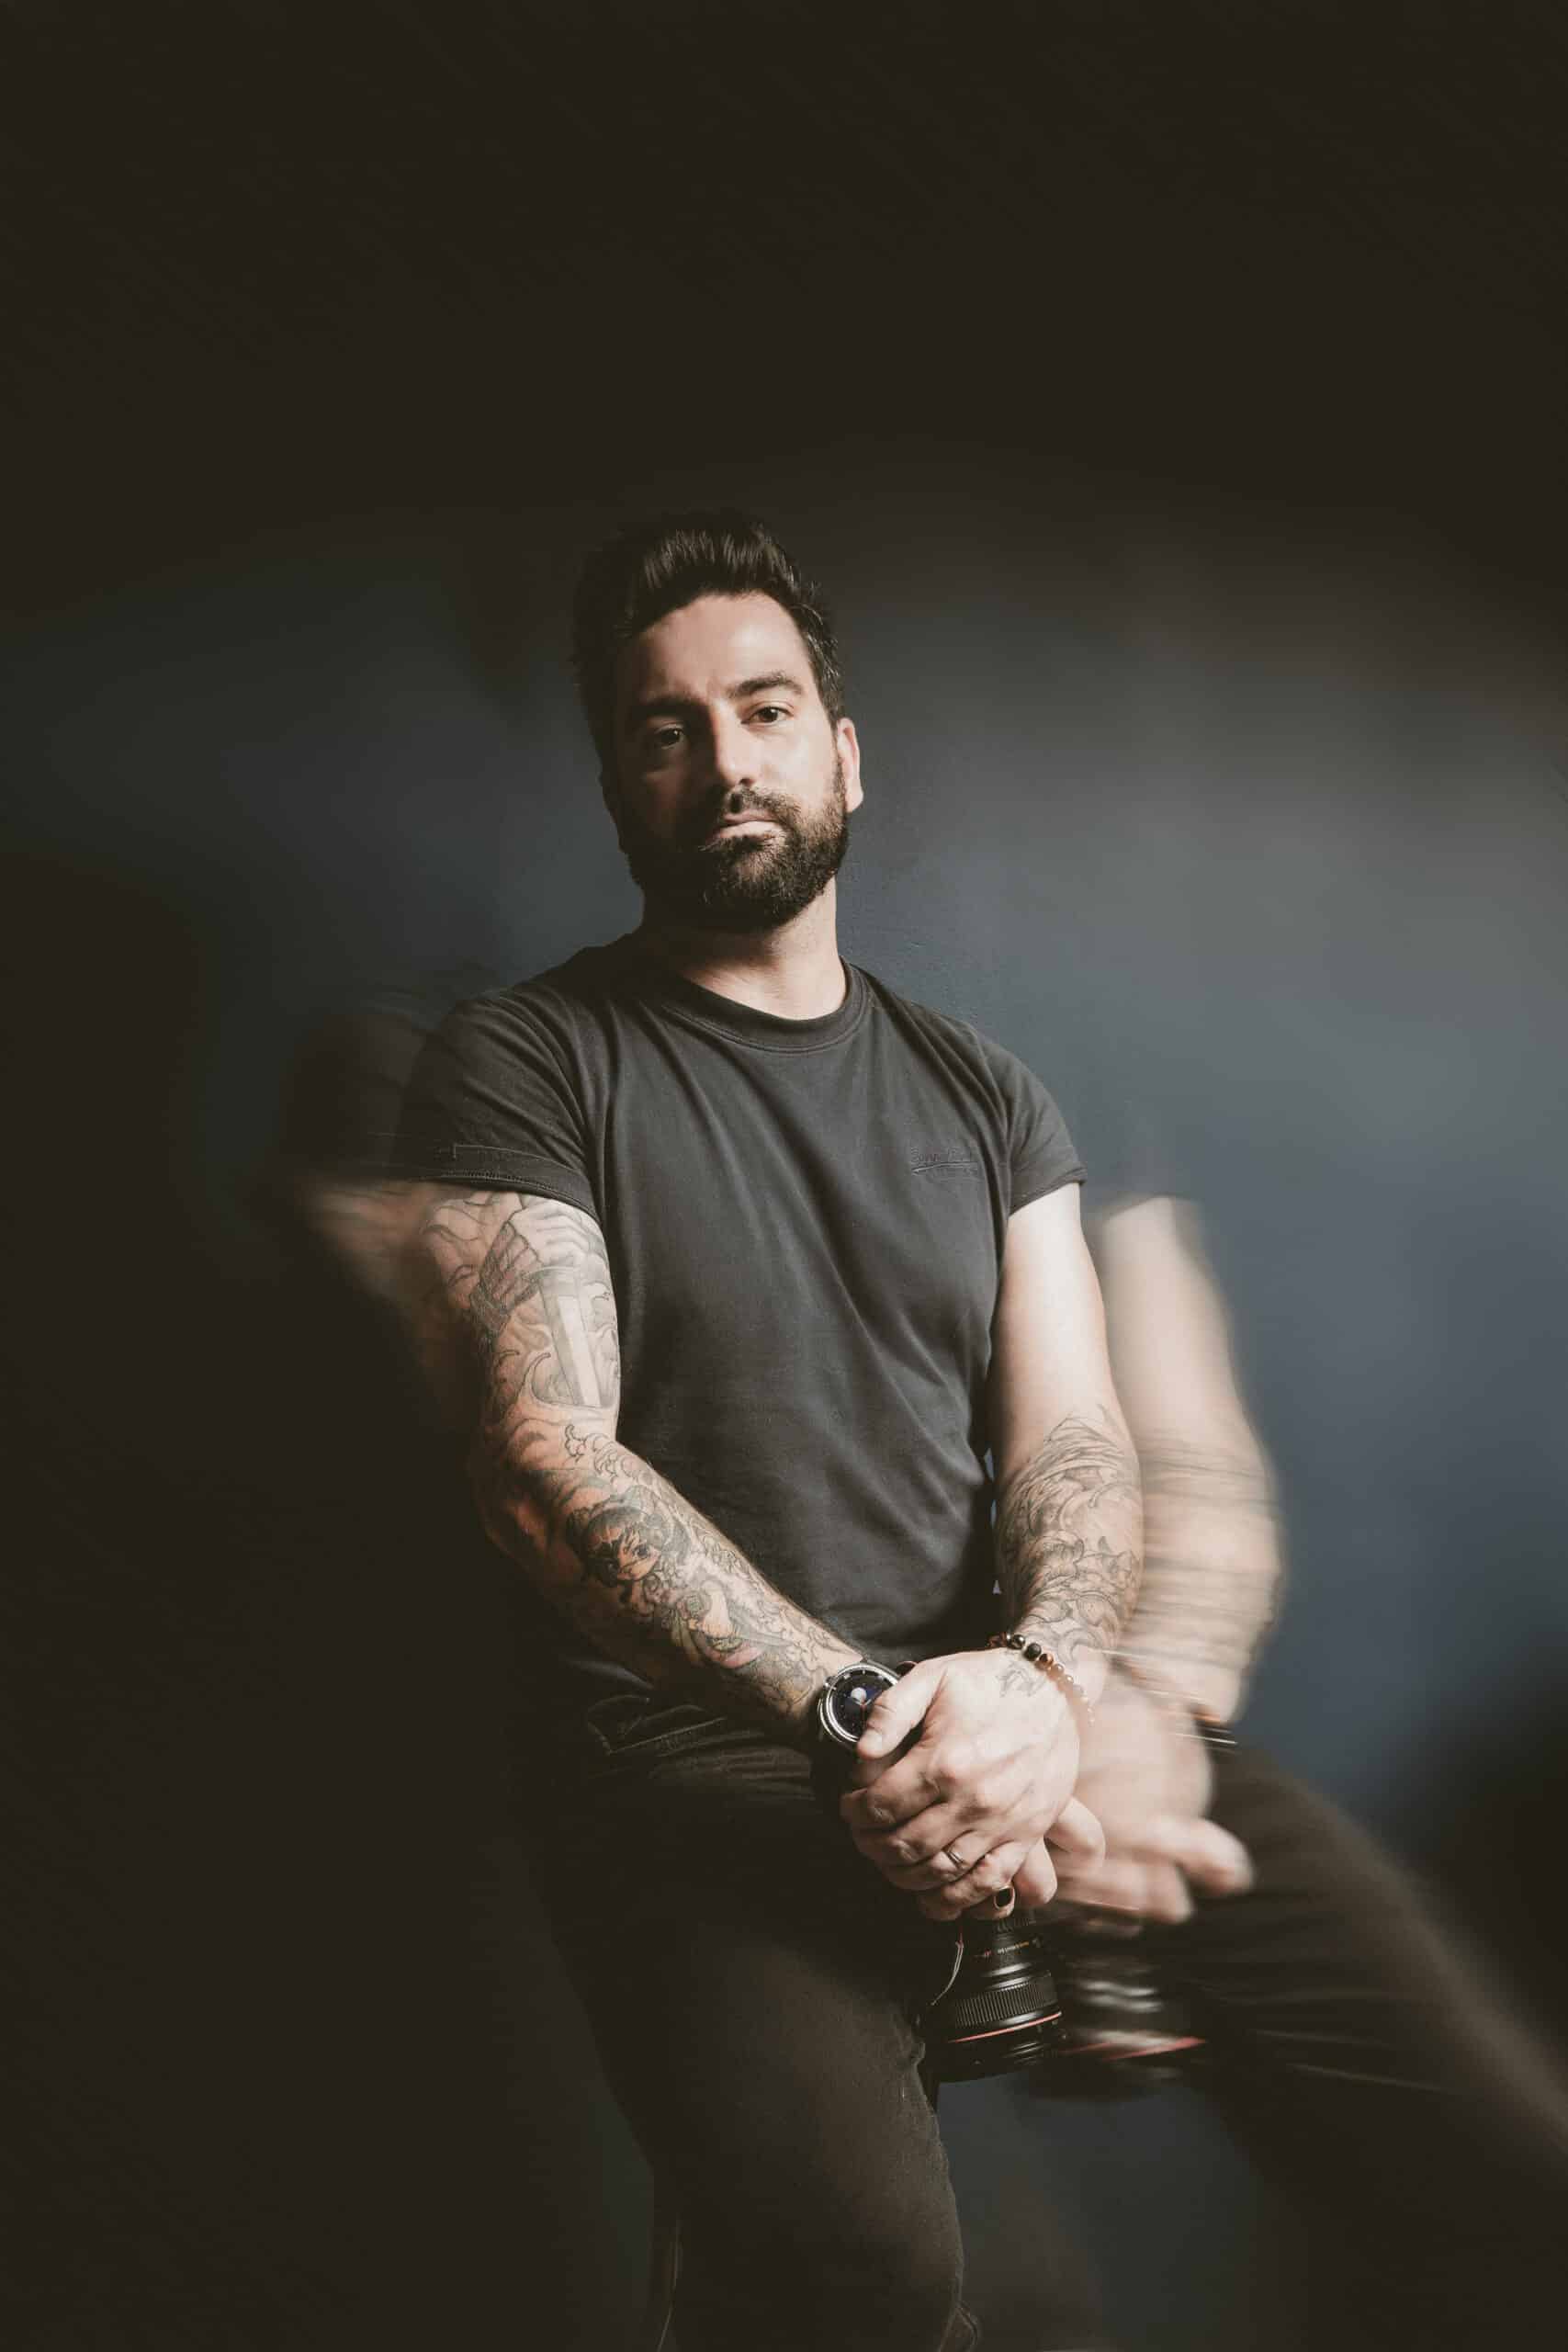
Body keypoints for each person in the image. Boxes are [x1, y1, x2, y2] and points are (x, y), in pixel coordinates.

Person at [380, 513, 1567, 2350]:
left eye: (764, 709)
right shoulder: (524, 1061)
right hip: (706, 1762)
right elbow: (546, 1463)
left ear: (843, 753)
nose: (724, 759)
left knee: (1506, 2157)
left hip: (1016, 1714)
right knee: (869, 2283)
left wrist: (1046, 1685)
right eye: (665, 728)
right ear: (620, 783)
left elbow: (1071, 1439)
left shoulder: (987, 1096)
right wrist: (875, 1718)